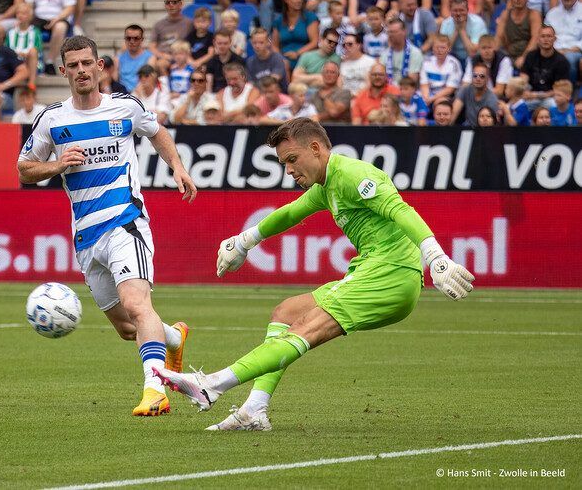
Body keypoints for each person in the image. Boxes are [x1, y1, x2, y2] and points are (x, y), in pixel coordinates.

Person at [153, 117, 474, 431]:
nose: (289, 170)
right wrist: (244, 241)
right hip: (374, 270)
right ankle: (254, 408)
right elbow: (291, 212)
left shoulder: (354, 174)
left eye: (292, 159)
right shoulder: (326, 185)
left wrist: (436, 258)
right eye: (283, 163)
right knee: (287, 312)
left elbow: (401, 210)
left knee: (307, 326)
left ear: (317, 148)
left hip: (390, 275)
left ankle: (212, 384)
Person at [17, 36, 197, 416]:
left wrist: (177, 167)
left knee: (137, 303)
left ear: (100, 67)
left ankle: (155, 389)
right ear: (63, 71)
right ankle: (173, 337)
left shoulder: (124, 107)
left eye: (88, 63)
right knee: (128, 328)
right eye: (74, 65)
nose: (81, 70)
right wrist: (58, 165)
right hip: (86, 237)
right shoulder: (53, 119)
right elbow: (24, 169)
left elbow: (157, 131)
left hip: (125, 223)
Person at [520, 25, 570, 112]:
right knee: (517, 106)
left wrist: (537, 95)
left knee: (554, 105)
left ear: (554, 39)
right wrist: (523, 90)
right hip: (530, 96)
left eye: (549, 36)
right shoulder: (530, 56)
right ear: (538, 39)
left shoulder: (562, 61)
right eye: (543, 36)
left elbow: (560, 89)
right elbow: (523, 78)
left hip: (551, 97)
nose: (546, 39)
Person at [25, 0, 75, 76]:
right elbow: (28, 5)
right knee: (29, 28)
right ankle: (32, 63)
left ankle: (50, 62)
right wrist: (29, 17)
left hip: (58, 17)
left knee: (60, 28)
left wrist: (56, 19)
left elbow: (70, 8)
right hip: (38, 18)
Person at [495, 0, 542, 71]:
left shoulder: (533, 14)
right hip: (509, 54)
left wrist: (524, 57)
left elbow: (535, 39)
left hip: (530, 55)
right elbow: (498, 37)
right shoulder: (505, 14)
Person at [272, 0, 320, 69]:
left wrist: (297, 53)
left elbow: (314, 42)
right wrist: (280, 59)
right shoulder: (278, 20)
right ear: (286, 0)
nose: (299, 0)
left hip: (305, 58)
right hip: (284, 59)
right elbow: (275, 46)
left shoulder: (310, 17)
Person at [5, 2, 43, 90]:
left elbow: (37, 51)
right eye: (18, 13)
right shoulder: (10, 32)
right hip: (15, 63)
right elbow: (6, 51)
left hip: (31, 63)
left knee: (33, 51)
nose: (20, 15)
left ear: (30, 16)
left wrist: (21, 54)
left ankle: (31, 84)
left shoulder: (35, 32)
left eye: (24, 13)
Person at [544, 0, 582, 85]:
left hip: (575, 50)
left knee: (568, 59)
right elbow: (545, 34)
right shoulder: (552, 13)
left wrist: (570, 50)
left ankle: (569, 89)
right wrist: (552, 49)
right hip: (554, 49)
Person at [149, 0, 193, 73]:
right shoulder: (158, 24)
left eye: (174, 2)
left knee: (160, 64)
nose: (171, 5)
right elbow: (152, 46)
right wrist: (162, 56)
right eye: (168, 2)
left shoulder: (189, 24)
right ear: (165, 5)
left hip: (181, 55)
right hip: (163, 56)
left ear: (181, 4)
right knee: (153, 62)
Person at [439, 0, 487, 64]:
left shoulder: (478, 22)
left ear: (467, 10)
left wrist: (462, 30)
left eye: (461, 10)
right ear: (450, 11)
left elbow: (473, 53)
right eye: (455, 10)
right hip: (452, 58)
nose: (458, 13)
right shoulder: (446, 23)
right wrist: (456, 31)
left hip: (473, 59)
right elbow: (443, 52)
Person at [419, 34, 461, 106]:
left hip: (445, 96)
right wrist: (426, 98)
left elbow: (450, 89)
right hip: (428, 94)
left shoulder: (454, 63)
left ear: (448, 49)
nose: (439, 50)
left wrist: (432, 99)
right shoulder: (426, 62)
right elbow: (424, 84)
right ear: (432, 48)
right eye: (437, 47)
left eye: (443, 48)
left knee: (440, 103)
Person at [379, 18, 424, 85]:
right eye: (390, 32)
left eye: (395, 32)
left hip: (406, 90)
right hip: (388, 90)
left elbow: (411, 81)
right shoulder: (385, 53)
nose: (392, 35)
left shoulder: (415, 53)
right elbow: (381, 75)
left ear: (404, 32)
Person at [246, 28, 289, 93]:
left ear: (268, 42)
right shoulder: (250, 61)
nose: (257, 46)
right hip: (259, 96)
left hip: (278, 94)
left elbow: (273, 80)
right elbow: (250, 84)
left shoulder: (277, 58)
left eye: (261, 43)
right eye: (254, 43)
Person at [116, 25, 156, 93]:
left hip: (141, 93)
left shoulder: (150, 58)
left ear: (142, 39)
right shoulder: (118, 58)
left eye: (136, 38)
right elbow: (115, 81)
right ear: (125, 39)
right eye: (128, 38)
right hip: (122, 94)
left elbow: (148, 80)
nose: (132, 41)